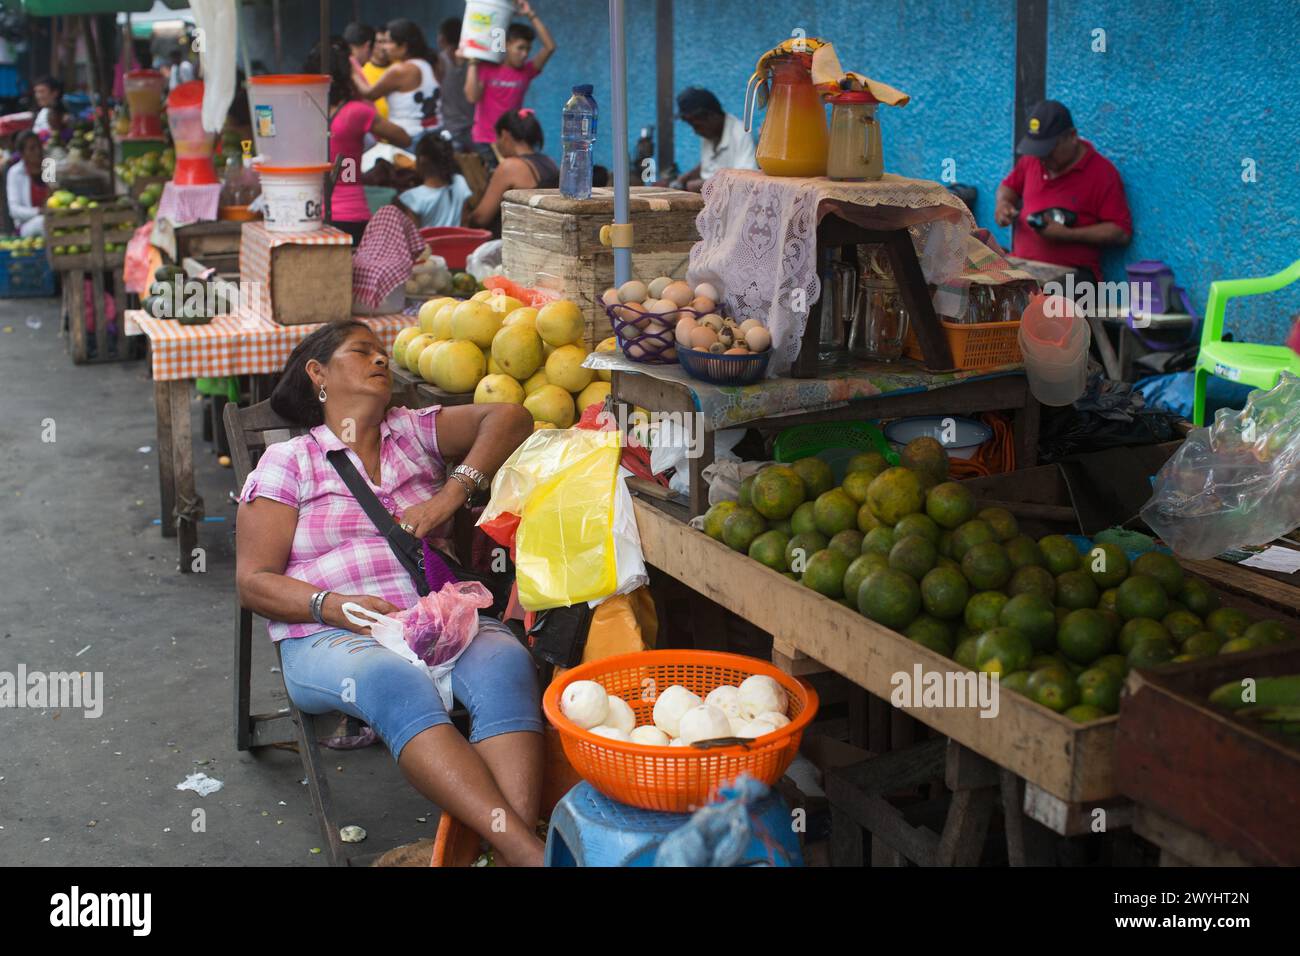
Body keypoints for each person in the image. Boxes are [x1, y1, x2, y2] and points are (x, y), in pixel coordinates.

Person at [234, 321, 544, 867]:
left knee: (506, 662)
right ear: (319, 374)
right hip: (330, 634)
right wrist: (332, 605)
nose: (381, 360)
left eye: (383, 353)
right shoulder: (290, 462)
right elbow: (253, 581)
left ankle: (499, 849)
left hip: (433, 617)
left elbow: (511, 415)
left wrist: (451, 495)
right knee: (390, 678)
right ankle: (525, 852)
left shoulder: (415, 431)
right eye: (362, 352)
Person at [994, 100, 1132, 284]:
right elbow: (1008, 187)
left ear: (1072, 137)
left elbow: (1121, 232)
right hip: (1024, 266)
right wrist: (1003, 204)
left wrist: (1068, 235)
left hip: (1074, 278)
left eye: (1049, 151)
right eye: (1039, 152)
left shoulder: (1102, 173)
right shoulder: (1033, 160)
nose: (1043, 159)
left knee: (1034, 300)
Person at [311, 42, 412, 244]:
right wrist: (360, 89)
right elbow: (403, 138)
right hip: (350, 213)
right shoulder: (356, 113)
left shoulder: (304, 112)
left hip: (309, 212)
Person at [465, 0, 555, 171]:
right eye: (520, 48)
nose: (525, 54)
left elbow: (550, 47)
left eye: (528, 49)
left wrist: (531, 15)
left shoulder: (527, 71)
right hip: (485, 141)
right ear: (505, 45)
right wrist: (473, 62)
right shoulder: (487, 67)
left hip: (513, 141)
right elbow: (471, 96)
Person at [468, 109, 558, 236]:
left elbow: (481, 218)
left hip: (514, 240)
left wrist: (465, 222)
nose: (497, 144)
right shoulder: (550, 162)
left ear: (505, 135)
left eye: (497, 137)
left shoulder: (510, 166)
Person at [353, 18, 438, 142]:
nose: (384, 47)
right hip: (430, 134)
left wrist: (352, 69)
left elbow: (369, 94)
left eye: (388, 42)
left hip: (408, 137)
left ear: (403, 45)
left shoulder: (400, 70)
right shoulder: (426, 64)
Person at [665, 87, 756, 192]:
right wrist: (683, 179)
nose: (696, 132)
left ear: (712, 116)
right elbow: (708, 165)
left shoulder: (741, 134)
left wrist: (703, 185)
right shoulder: (710, 133)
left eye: (697, 126)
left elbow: (746, 182)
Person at [400, 133, 472, 229]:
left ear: (421, 160)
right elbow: (465, 223)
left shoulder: (412, 198)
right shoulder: (460, 182)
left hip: (428, 244)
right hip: (459, 242)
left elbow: (414, 238)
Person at [434, 18, 474, 151]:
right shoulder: (475, 62)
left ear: (442, 39)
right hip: (473, 130)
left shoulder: (438, 62)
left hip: (449, 128)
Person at [6, 131, 48, 237]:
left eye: (39, 146)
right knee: (43, 222)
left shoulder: (48, 167)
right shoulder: (16, 173)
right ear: (22, 154)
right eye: (32, 148)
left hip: (51, 216)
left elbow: (54, 192)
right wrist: (38, 212)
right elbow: (14, 210)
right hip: (27, 225)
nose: (38, 151)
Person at [361, 27, 391, 121]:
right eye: (380, 42)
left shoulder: (400, 66)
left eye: (387, 42)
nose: (384, 47)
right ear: (371, 44)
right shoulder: (362, 70)